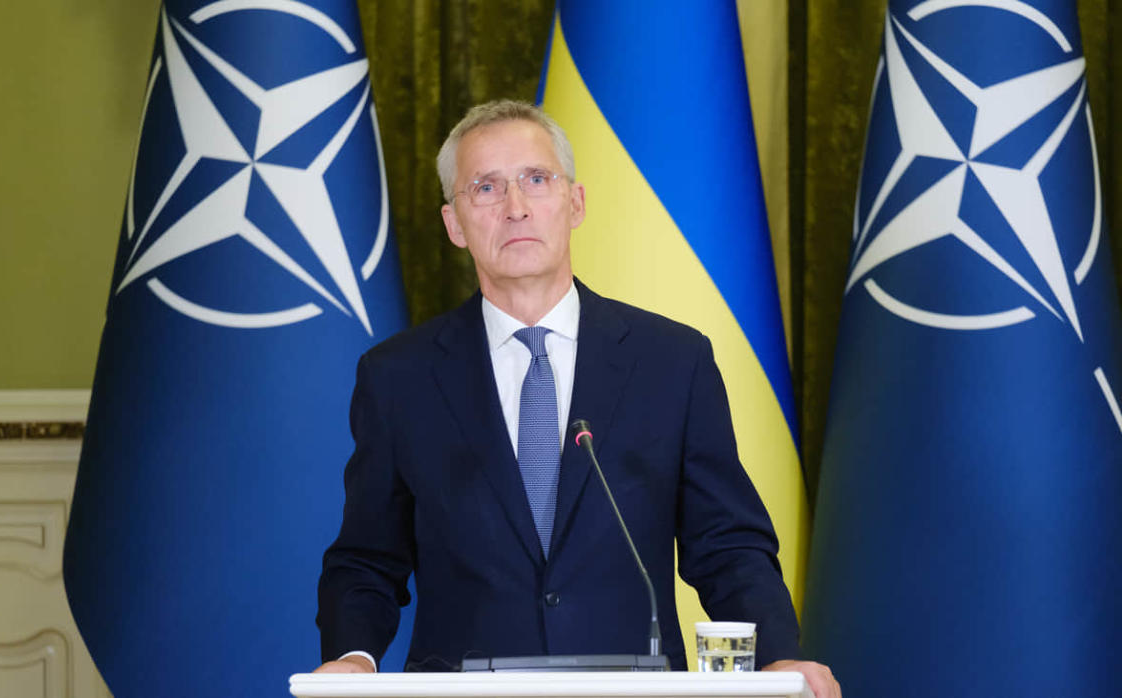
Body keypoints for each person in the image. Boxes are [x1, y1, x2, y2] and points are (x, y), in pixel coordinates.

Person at [314, 100, 839, 697]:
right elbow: (367, 559)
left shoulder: (671, 361)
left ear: (576, 203)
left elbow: (726, 544)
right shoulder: (398, 377)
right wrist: (353, 660)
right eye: (485, 187)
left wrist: (776, 654)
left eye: (536, 180)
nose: (515, 208)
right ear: (454, 224)